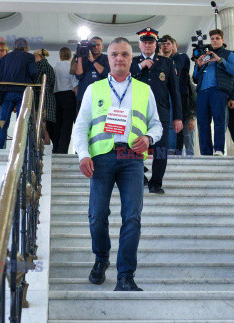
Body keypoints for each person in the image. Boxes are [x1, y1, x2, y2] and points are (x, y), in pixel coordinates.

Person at [72, 37, 163, 291]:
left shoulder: (145, 90)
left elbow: (157, 124)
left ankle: (126, 275)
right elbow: (81, 127)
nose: (119, 58)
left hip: (132, 159)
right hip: (101, 158)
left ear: (131, 59)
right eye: (114, 54)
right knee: (97, 215)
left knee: (132, 217)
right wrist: (83, 154)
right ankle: (101, 259)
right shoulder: (94, 89)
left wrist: (148, 137)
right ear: (108, 58)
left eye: (124, 54)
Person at [130, 28, 183, 194]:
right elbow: (121, 79)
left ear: (156, 44)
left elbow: (175, 92)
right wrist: (139, 67)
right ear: (139, 44)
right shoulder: (132, 62)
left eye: (150, 42)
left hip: (160, 113)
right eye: (144, 42)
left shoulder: (167, 63)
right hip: (136, 113)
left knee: (161, 149)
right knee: (134, 147)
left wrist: (178, 117)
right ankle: (140, 176)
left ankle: (156, 183)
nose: (147, 45)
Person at [193, 29, 234, 156]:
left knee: (219, 120)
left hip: (218, 91)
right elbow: (195, 78)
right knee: (202, 123)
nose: (214, 41)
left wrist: (219, 60)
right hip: (202, 91)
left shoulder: (229, 54)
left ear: (223, 40)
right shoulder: (206, 55)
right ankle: (205, 152)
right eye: (212, 38)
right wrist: (199, 65)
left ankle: (219, 150)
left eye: (217, 38)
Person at [0, 38, 38, 149]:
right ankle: (20, 148)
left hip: (6, 93)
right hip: (22, 93)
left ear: (14, 46)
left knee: (3, 122)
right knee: (21, 122)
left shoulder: (5, 58)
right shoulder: (29, 57)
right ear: (26, 47)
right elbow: (34, 72)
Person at [161, 35, 196, 155]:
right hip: (164, 97)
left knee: (178, 125)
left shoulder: (182, 57)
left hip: (180, 96)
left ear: (174, 45)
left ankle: (178, 153)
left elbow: (177, 70)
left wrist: (166, 56)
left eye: (168, 43)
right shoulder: (159, 59)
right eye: (163, 44)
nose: (165, 46)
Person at [70, 36, 110, 113]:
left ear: (102, 47)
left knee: (100, 123)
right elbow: (79, 76)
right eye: (93, 45)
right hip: (84, 97)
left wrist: (93, 61)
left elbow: (106, 74)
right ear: (89, 47)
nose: (96, 47)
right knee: (82, 124)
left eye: (98, 45)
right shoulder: (83, 58)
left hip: (101, 98)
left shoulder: (106, 58)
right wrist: (79, 58)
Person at [53, 47, 78, 153]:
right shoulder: (71, 67)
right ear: (70, 55)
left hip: (56, 97)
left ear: (60, 55)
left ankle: (57, 149)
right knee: (67, 126)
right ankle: (63, 151)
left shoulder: (55, 67)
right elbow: (75, 84)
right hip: (69, 97)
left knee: (58, 125)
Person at [33, 48, 57, 148]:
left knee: (42, 126)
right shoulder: (50, 67)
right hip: (50, 99)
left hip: (41, 99)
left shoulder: (39, 66)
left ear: (37, 56)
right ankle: (47, 148)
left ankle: (44, 149)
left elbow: (36, 83)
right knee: (46, 126)